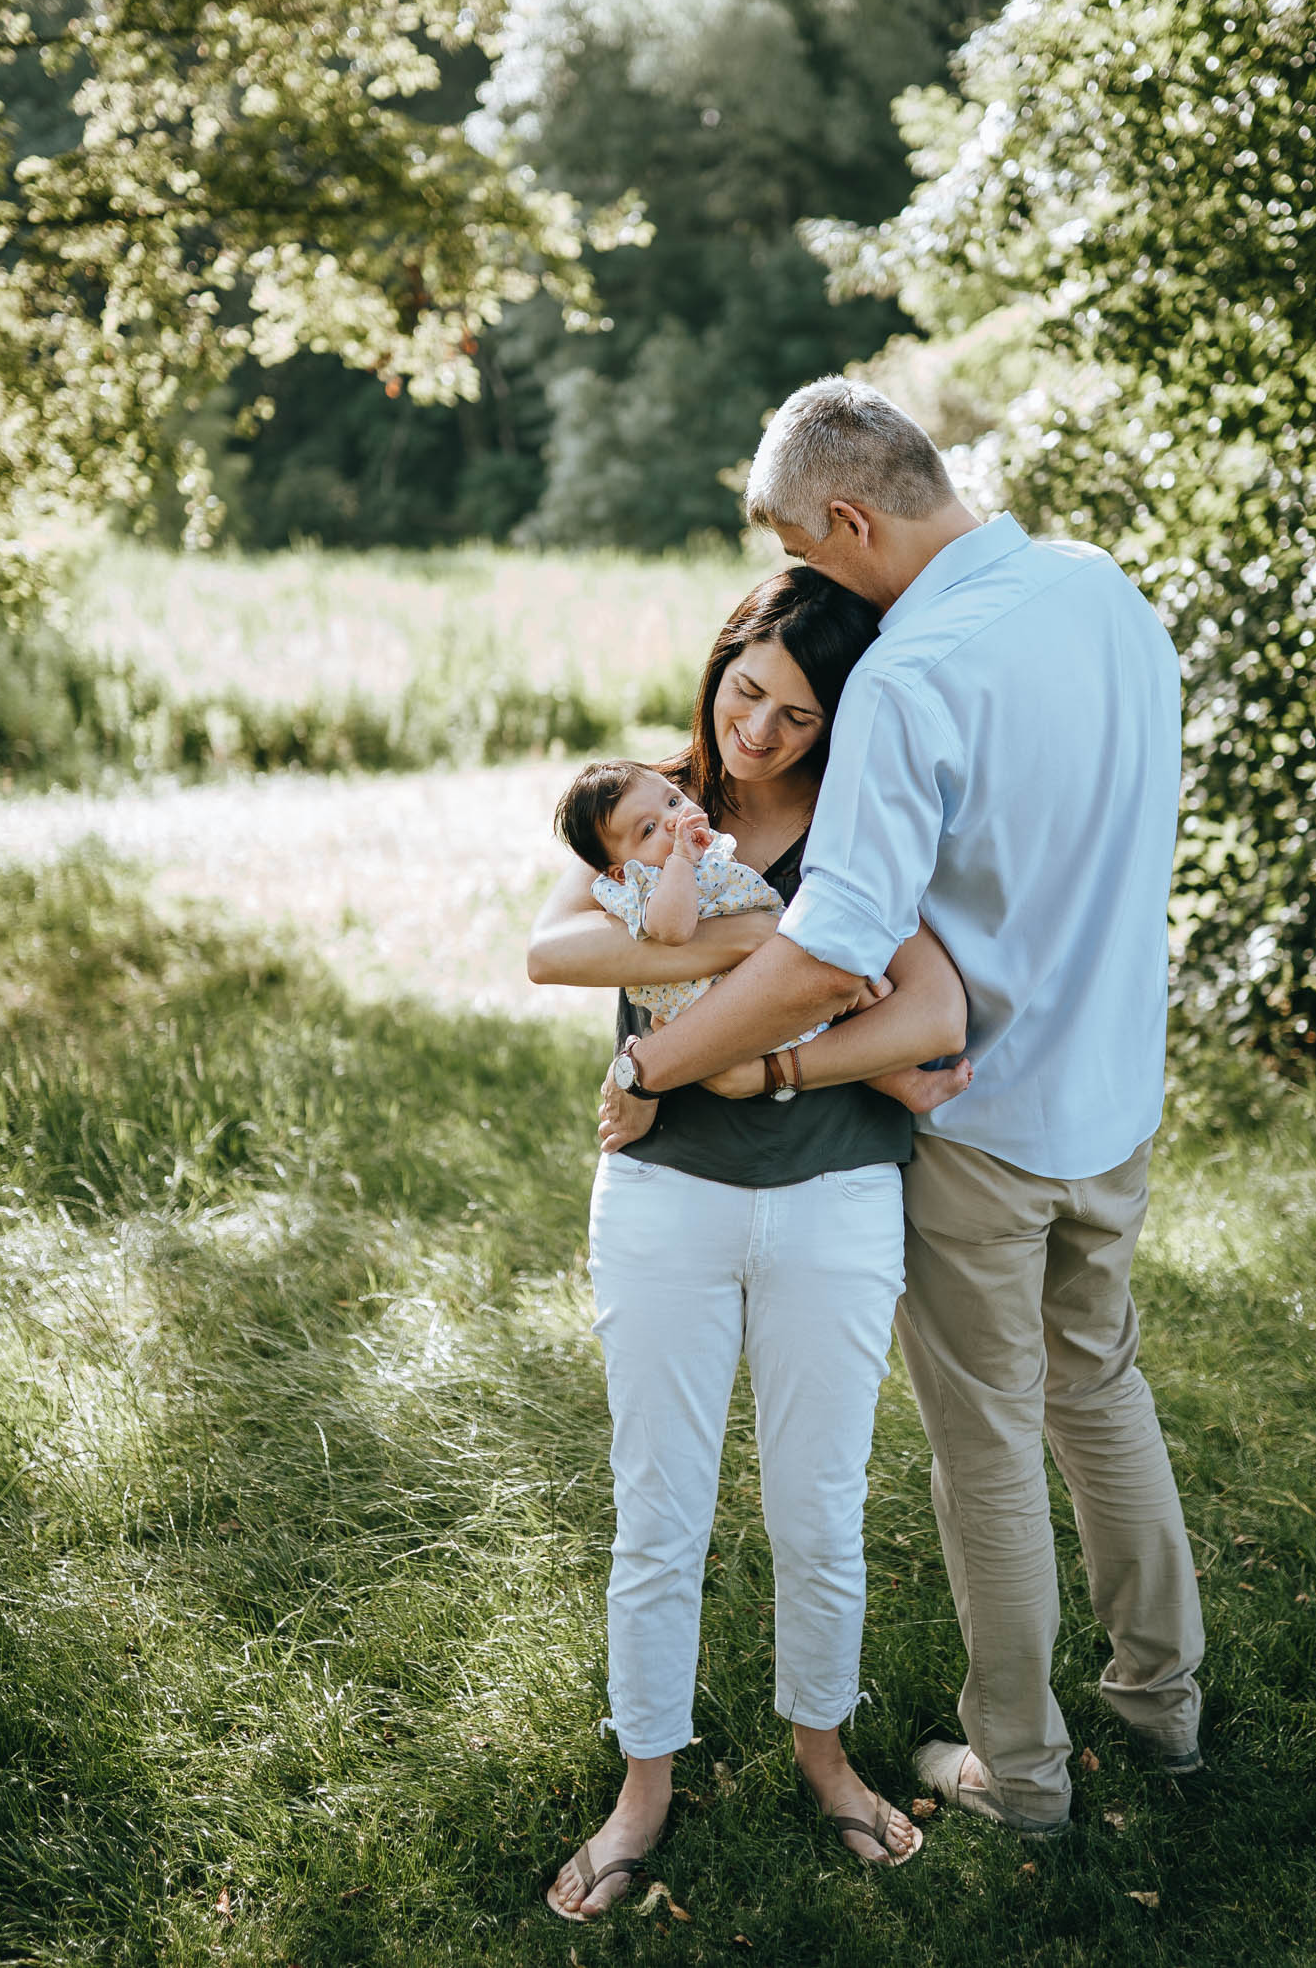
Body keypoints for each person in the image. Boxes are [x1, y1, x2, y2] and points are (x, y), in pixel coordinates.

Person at [596, 375, 1205, 1839]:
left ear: (854, 516)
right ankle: (1160, 1708)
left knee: (987, 1441)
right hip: (1115, 1091)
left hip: (981, 1115)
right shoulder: (1100, 587)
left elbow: (827, 949)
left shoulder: (912, 673)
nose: (803, 582)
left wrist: (654, 1066)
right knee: (1099, 1384)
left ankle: (1025, 1776)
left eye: (809, 551)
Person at [527, 569, 971, 1921]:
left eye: (794, 711)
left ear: (838, 720)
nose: (758, 731)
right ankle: (643, 1785)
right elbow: (550, 952)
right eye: (744, 689)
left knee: (817, 1508)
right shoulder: (648, 805)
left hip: (835, 1195)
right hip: (662, 1199)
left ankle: (823, 1758)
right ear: (716, 664)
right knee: (656, 1508)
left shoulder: (861, 824)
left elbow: (931, 1016)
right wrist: (775, 946)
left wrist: (751, 1060)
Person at [552, 758, 827, 1044]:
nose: (674, 820)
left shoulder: (706, 853)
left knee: (839, 989)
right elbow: (674, 930)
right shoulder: (642, 885)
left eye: (673, 801)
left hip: (771, 972)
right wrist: (681, 860)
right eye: (648, 829)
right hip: (722, 1007)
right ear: (621, 872)